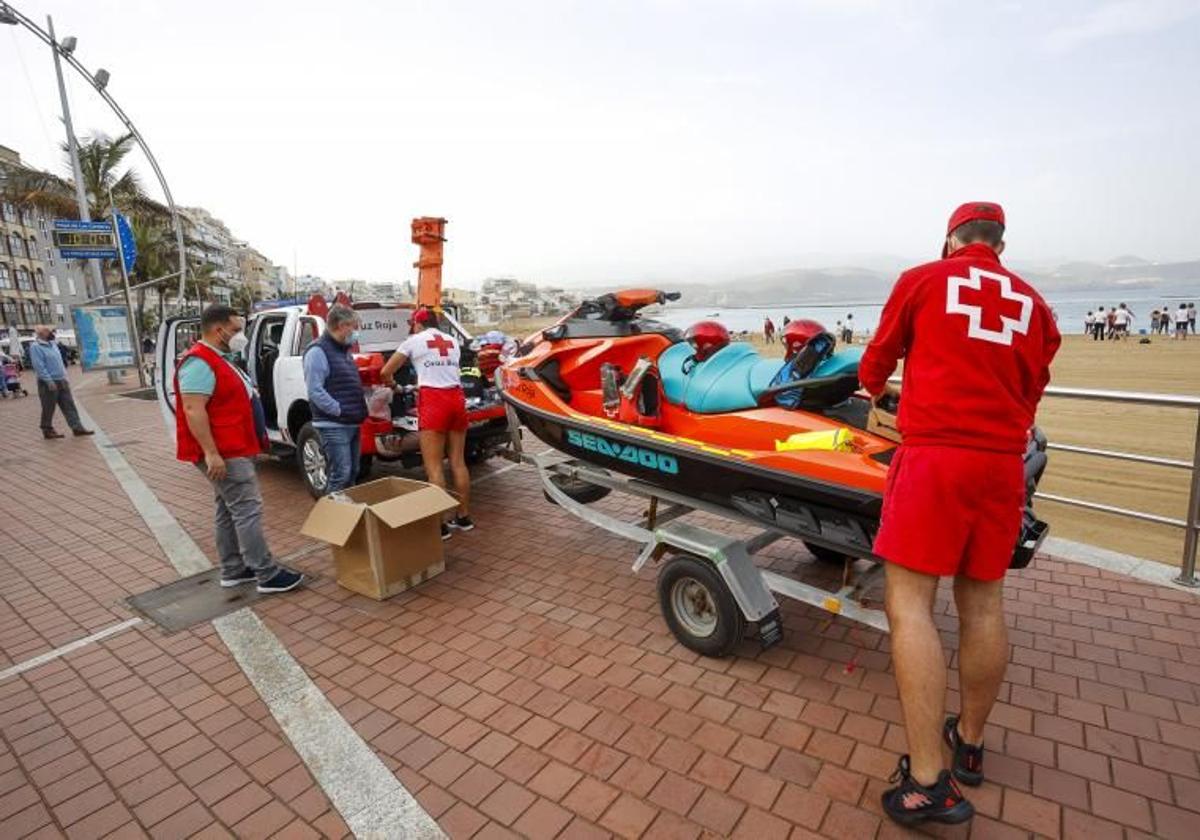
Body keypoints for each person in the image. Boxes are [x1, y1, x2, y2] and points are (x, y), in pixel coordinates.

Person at [859, 202, 1060, 827]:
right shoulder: (1035, 305)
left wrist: (879, 390)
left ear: (952, 239)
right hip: (1002, 466)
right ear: (999, 242)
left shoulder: (923, 279)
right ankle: (969, 742)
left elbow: (877, 363)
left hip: (935, 460)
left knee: (910, 604)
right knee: (984, 606)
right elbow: (1032, 387)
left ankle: (927, 781)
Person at [176, 304, 303, 593]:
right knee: (247, 508)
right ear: (218, 330)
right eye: (235, 330)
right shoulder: (199, 362)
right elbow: (193, 409)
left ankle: (234, 569)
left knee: (227, 507)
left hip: (232, 446)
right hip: (225, 451)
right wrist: (211, 452)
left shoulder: (219, 358)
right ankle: (266, 573)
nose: (240, 336)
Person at [379, 308, 473, 537]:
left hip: (433, 400)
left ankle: (440, 526)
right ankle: (464, 517)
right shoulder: (451, 340)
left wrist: (395, 386)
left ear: (418, 324)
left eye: (413, 324)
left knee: (434, 468)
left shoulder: (414, 341)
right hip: (456, 399)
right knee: (458, 462)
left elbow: (385, 371)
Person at [302, 304, 367, 494]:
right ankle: (333, 517)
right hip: (334, 424)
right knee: (341, 474)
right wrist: (338, 409)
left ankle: (349, 516)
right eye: (353, 327)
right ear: (341, 325)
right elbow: (315, 390)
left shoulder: (342, 350)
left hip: (351, 421)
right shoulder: (317, 352)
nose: (355, 332)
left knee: (353, 471)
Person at [29, 325, 93, 439]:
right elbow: (39, 366)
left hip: (61, 380)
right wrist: (48, 381)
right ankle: (47, 429)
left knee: (69, 405)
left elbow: (59, 362)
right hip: (48, 382)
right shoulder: (36, 347)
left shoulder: (53, 344)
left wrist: (65, 377)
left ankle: (77, 427)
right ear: (41, 334)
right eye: (48, 331)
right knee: (48, 407)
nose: (51, 333)